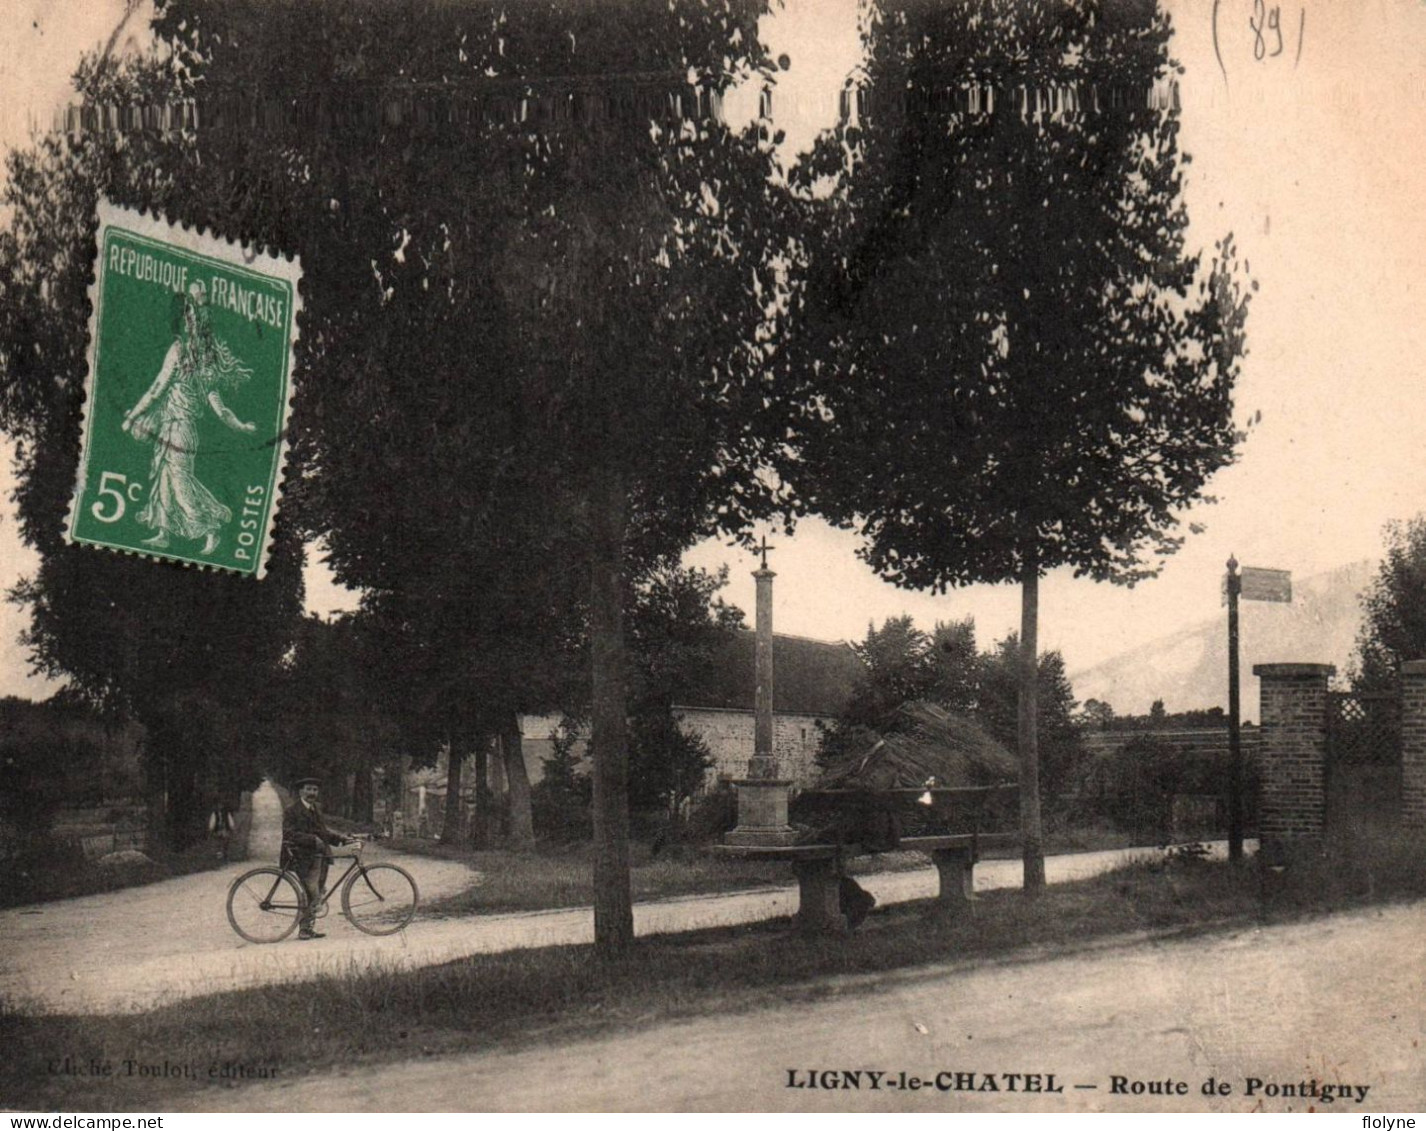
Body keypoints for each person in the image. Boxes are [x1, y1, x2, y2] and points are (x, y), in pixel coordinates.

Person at [122, 279, 256, 555]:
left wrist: (132, 416)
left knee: (181, 483)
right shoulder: (204, 363)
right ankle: (163, 532)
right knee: (165, 480)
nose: (189, 319)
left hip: (180, 430)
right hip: (174, 429)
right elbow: (221, 410)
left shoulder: (182, 352)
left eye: (192, 313)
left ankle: (210, 527)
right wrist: (241, 426)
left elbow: (156, 389)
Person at [281, 776, 354, 941]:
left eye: (314, 790)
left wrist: (341, 839)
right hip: (302, 857)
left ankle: (307, 928)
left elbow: (323, 832)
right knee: (312, 893)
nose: (312, 793)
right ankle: (304, 930)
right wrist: (312, 840)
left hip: (320, 856)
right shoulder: (292, 810)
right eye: (308, 789)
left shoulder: (316, 809)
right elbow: (289, 834)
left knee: (318, 890)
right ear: (301, 791)